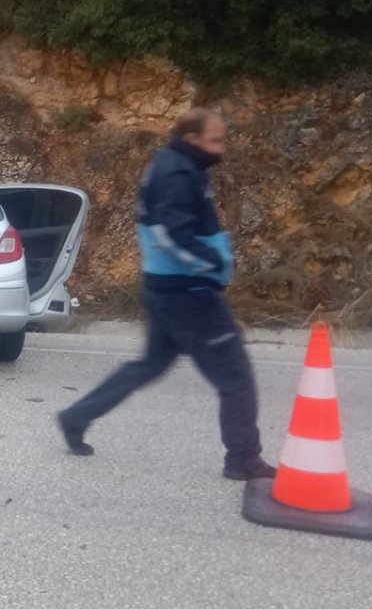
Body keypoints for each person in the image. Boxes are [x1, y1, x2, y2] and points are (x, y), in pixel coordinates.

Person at [56, 108, 276, 481]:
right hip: (190, 295)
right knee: (235, 378)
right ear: (193, 139)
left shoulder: (174, 164)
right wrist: (212, 264)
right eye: (216, 141)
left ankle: (77, 416)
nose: (222, 149)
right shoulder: (176, 172)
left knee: (148, 366)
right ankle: (243, 459)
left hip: (168, 290)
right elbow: (169, 234)